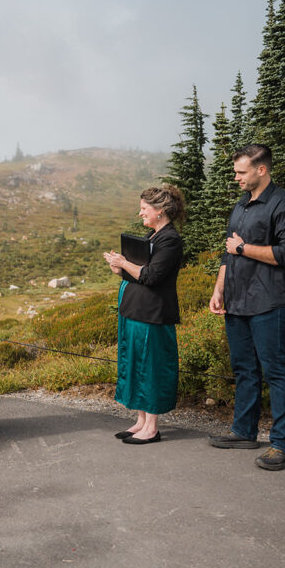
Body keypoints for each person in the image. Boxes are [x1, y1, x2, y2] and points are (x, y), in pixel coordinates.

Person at [207, 144, 285, 471]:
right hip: (237, 300)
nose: (236, 177)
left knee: (276, 371)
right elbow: (228, 253)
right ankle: (244, 430)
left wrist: (243, 248)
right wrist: (218, 289)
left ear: (261, 170)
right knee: (244, 369)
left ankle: (283, 444)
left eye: (241, 172)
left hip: (271, 301)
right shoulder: (241, 205)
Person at [103, 185, 185, 444]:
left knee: (150, 367)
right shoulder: (152, 237)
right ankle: (140, 421)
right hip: (135, 310)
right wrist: (119, 267)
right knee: (135, 363)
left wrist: (125, 263)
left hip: (152, 313)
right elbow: (135, 274)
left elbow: (151, 276)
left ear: (160, 211)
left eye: (144, 209)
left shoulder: (170, 240)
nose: (140, 214)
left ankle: (152, 426)